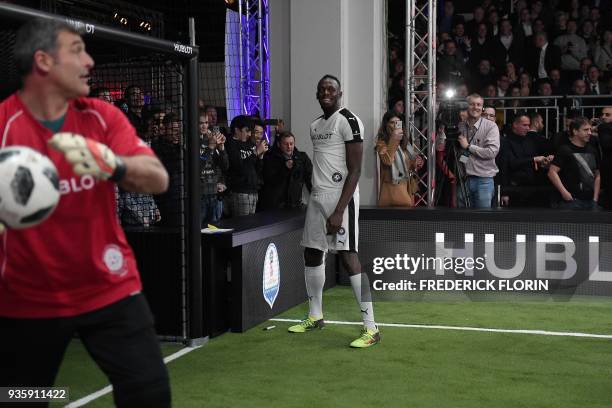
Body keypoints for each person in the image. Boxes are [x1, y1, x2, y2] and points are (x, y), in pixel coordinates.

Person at [0, 19, 171, 407]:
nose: (90, 61)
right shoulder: (4, 128)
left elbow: (159, 179)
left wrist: (114, 165)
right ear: (43, 61)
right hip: (27, 298)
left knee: (149, 391)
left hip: (109, 286)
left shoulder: (100, 117)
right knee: (20, 399)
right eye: (77, 50)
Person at [288, 75, 380, 348]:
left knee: (349, 257)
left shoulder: (349, 120)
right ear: (317, 94)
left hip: (342, 200)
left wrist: (339, 210)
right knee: (312, 252)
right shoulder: (315, 125)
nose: (326, 93)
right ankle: (315, 316)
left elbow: (355, 170)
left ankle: (371, 328)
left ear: (340, 93)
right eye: (322, 89)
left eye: (331, 89)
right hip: (317, 198)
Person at [457, 93, 501, 208]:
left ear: (482, 108)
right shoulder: (461, 126)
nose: (475, 107)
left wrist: (468, 147)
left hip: (484, 181)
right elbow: (461, 154)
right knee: (461, 220)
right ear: (467, 106)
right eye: (472, 104)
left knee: (482, 221)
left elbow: (492, 152)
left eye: (478, 104)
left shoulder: (491, 126)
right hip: (465, 180)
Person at [548, 117, 600, 209]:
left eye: (590, 130)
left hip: (590, 201)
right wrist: (564, 193)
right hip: (571, 201)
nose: (590, 133)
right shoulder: (564, 150)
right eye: (586, 130)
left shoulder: (593, 150)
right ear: (575, 131)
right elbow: (552, 172)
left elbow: (597, 175)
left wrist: (595, 199)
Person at [375, 111, 421, 207]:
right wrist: (394, 139)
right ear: (386, 125)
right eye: (392, 122)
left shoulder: (406, 144)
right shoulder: (382, 144)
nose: (395, 125)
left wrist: (417, 162)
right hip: (392, 190)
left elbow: (413, 164)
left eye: (398, 122)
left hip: (407, 188)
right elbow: (387, 161)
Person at [259, 131, 313, 210]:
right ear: (279, 144)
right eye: (285, 144)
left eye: (291, 144)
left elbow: (310, 178)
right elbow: (269, 179)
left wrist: (316, 197)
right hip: (275, 205)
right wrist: (285, 168)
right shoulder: (270, 158)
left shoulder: (302, 157)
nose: (289, 146)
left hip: (295, 204)